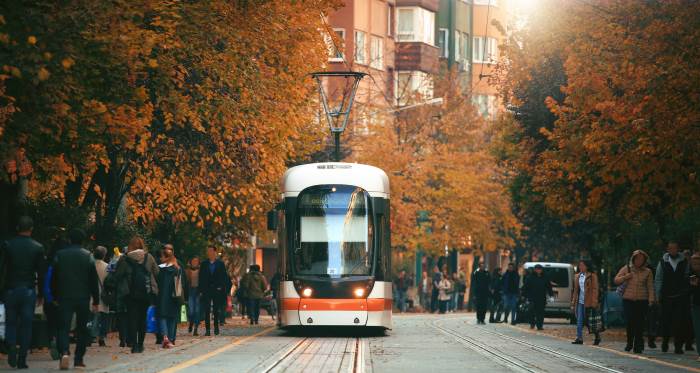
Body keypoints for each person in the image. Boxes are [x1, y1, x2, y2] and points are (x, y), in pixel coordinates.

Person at [1, 216, 47, 369]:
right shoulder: (38, 247)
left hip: (11, 288)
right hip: (28, 289)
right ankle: (22, 358)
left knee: (11, 321)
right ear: (31, 229)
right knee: (27, 324)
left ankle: (11, 345)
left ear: (17, 228)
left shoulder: (8, 245)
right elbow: (41, 273)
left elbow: (2, 269)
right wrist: (41, 293)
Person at [53, 228, 100, 370]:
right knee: (82, 329)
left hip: (64, 296)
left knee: (63, 327)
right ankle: (79, 359)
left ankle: (64, 352)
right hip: (83, 297)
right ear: (83, 240)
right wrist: (96, 300)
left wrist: (54, 295)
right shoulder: (88, 256)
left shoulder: (60, 255)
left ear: (69, 239)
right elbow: (93, 280)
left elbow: (54, 278)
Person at [115, 236, 159, 354]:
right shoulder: (148, 257)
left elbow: (117, 275)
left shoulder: (124, 259)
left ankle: (134, 345)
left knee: (132, 319)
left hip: (130, 293)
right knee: (142, 318)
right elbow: (156, 272)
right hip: (146, 292)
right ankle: (141, 344)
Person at [615, 250, 655, 353]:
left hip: (642, 301)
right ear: (633, 259)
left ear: (644, 260)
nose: (639, 261)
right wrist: (625, 277)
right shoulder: (627, 268)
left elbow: (650, 286)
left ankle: (638, 345)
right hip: (628, 300)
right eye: (637, 259)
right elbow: (616, 280)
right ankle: (629, 343)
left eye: (641, 259)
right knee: (630, 322)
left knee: (640, 324)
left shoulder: (648, 271)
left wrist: (651, 300)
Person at [655, 241, 690, 354]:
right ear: (667, 250)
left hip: (680, 296)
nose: (672, 250)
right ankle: (665, 342)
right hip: (666, 296)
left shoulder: (684, 261)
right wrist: (657, 294)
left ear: (678, 249)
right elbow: (658, 279)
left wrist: (686, 290)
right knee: (666, 321)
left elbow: (687, 276)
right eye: (670, 248)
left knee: (679, 322)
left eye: (675, 248)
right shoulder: (662, 262)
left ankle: (678, 346)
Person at [156, 244, 185, 348]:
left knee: (162, 317)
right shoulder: (177, 268)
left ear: (164, 257)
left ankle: (165, 337)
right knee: (172, 318)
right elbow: (179, 286)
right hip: (173, 297)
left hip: (161, 296)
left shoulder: (159, 269)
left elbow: (156, 282)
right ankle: (171, 339)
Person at [199, 245, 228, 335]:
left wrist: (221, 287)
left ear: (215, 252)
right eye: (208, 251)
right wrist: (201, 290)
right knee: (207, 309)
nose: (209, 253)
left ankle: (216, 327)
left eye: (211, 251)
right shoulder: (204, 264)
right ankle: (207, 330)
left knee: (216, 309)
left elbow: (224, 277)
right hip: (206, 289)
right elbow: (201, 277)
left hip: (217, 289)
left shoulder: (220, 264)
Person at [572, 260, 602, 346]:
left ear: (587, 266)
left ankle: (597, 336)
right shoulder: (577, 276)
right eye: (579, 266)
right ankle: (579, 338)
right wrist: (573, 302)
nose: (581, 267)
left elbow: (595, 290)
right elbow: (575, 291)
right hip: (580, 302)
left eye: (582, 265)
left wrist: (594, 302)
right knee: (579, 320)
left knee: (590, 321)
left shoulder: (592, 276)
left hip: (589, 301)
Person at [523, 264, 553, 330]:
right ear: (535, 270)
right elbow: (525, 287)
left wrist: (551, 295)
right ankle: (532, 323)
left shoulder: (545, 277)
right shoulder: (530, 277)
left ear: (541, 270)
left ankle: (539, 325)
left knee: (540, 313)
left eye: (540, 269)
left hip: (541, 298)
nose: (538, 270)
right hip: (532, 298)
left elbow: (549, 287)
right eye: (537, 269)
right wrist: (525, 296)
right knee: (531, 311)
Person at [93, 246, 110, 347]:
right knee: (103, 317)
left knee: (91, 316)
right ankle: (102, 338)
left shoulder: (89, 264)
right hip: (104, 294)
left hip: (91, 294)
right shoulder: (107, 266)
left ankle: (90, 336)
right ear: (104, 255)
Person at [186, 256, 201, 336]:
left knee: (197, 311)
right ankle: (191, 323)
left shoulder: (201, 270)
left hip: (198, 292)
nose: (195, 262)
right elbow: (186, 280)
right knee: (191, 311)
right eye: (193, 261)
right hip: (191, 291)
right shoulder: (188, 270)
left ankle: (195, 329)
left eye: (196, 261)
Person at [689, 253, 700, 362]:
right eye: (693, 263)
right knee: (698, 330)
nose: (696, 265)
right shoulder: (690, 274)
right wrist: (692, 285)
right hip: (696, 304)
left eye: (698, 263)